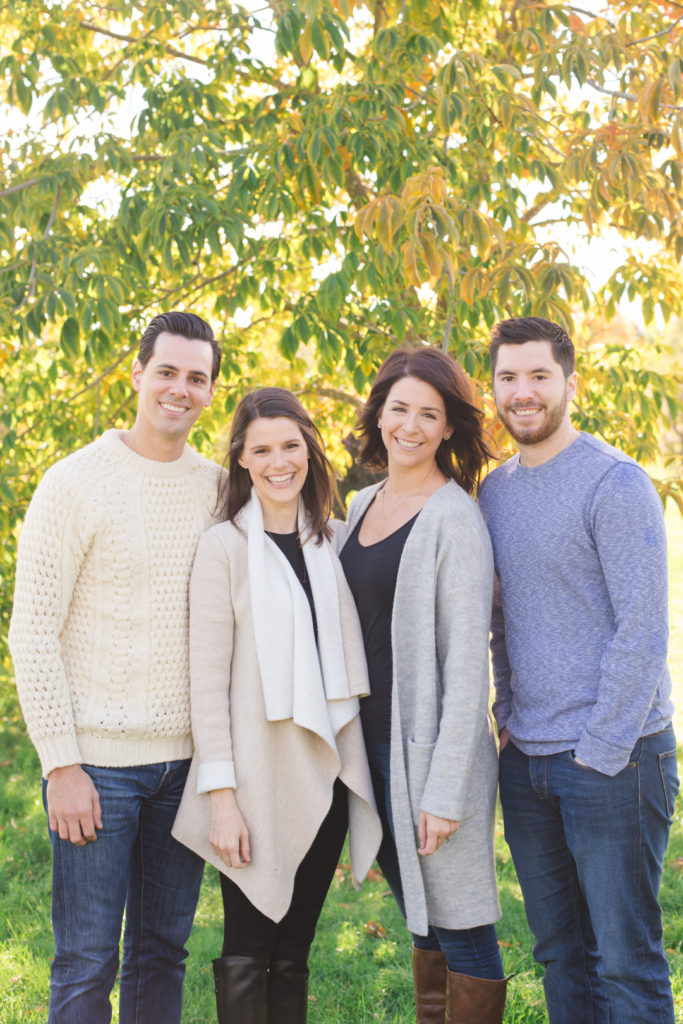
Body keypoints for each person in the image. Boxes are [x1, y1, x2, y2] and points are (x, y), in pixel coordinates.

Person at [8, 311, 223, 1024]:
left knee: (163, 954)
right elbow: (32, 632)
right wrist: (61, 764)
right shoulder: (73, 483)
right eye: (166, 371)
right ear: (137, 374)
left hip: (185, 770)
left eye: (196, 377)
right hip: (96, 768)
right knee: (85, 960)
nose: (179, 388)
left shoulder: (223, 491)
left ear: (212, 391)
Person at [478, 315, 678, 1024]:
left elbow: (642, 630)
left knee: (624, 962)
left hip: (611, 759)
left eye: (538, 375)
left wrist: (598, 752)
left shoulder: (613, 481)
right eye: (508, 377)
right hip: (526, 760)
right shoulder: (493, 492)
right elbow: (502, 622)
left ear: (569, 382)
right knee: (560, 953)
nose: (522, 391)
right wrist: (507, 724)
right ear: (493, 386)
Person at [172, 387, 381, 1024]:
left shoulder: (335, 542)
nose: (278, 461)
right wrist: (223, 800)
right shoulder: (224, 549)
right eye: (261, 449)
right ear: (240, 458)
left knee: (294, 950)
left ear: (310, 451)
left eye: (291, 445)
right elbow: (206, 686)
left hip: (326, 772)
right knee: (249, 944)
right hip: (255, 782)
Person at [338, 347, 508, 1024]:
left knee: (462, 926)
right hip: (371, 754)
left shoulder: (454, 520)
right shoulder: (358, 505)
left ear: (447, 429)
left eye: (428, 414)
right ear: (377, 412)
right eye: (398, 408)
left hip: (433, 761)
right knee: (420, 918)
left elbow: (469, 670)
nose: (409, 425)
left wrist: (443, 793)